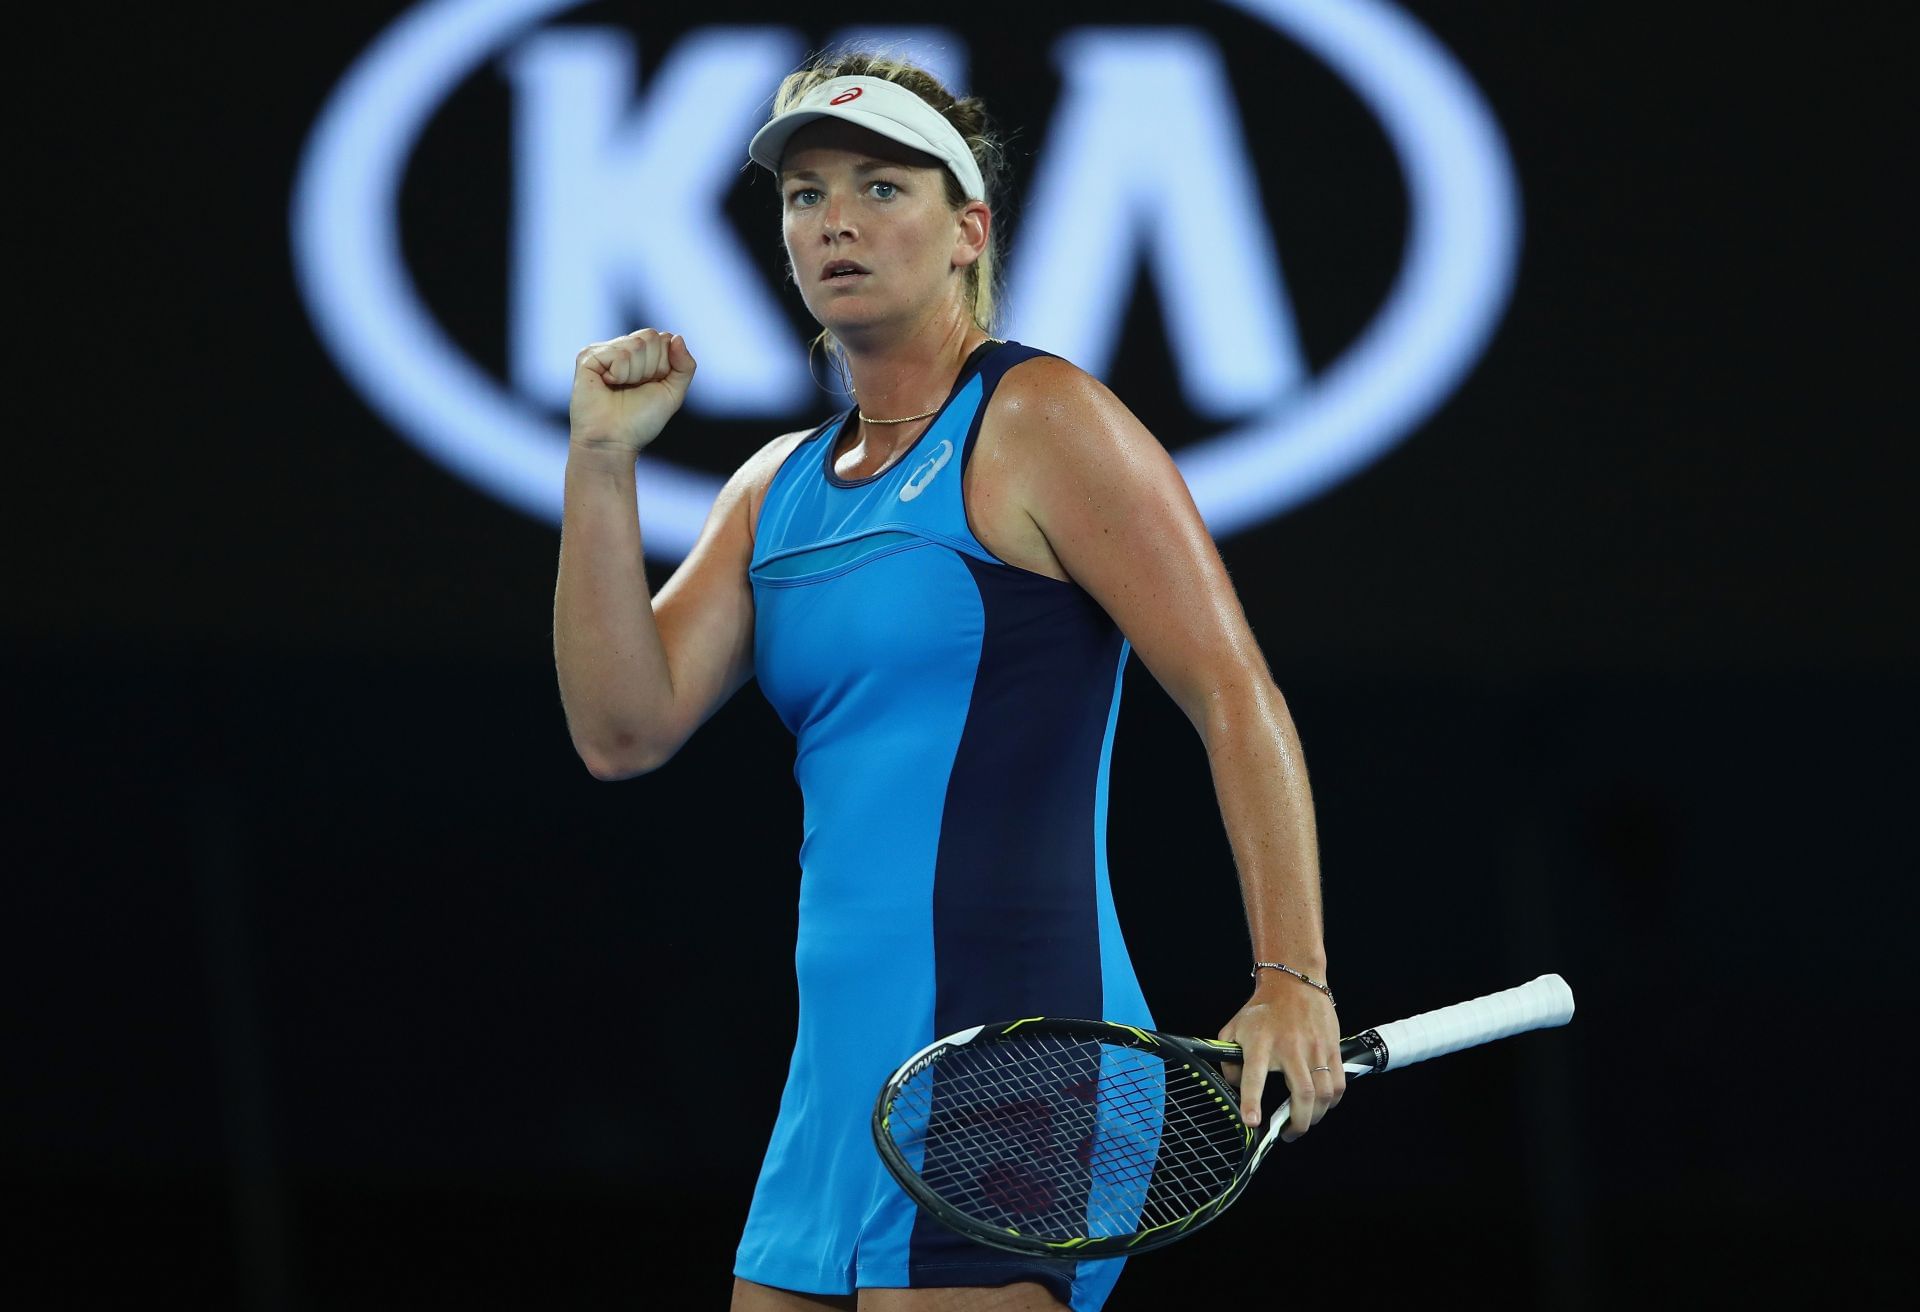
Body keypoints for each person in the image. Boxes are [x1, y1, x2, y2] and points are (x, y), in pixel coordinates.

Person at [553, 51, 1342, 1312]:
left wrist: (1289, 975)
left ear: (969, 228)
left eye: (880, 185)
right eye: (806, 194)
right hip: (838, 1085)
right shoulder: (776, 492)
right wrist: (599, 463)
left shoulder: (1042, 420)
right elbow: (619, 728)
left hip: (1023, 1061)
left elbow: (1232, 690)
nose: (837, 220)